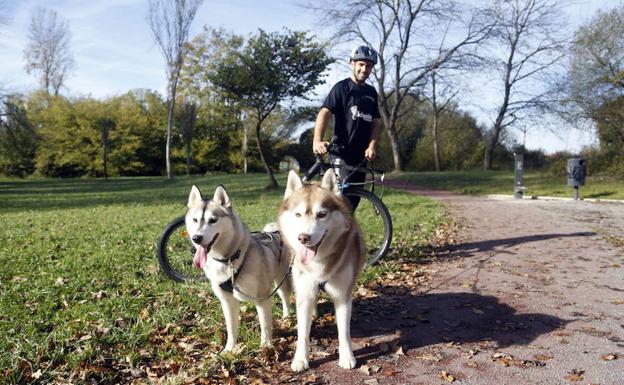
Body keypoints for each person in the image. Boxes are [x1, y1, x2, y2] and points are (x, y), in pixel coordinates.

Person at [312, 45, 381, 210]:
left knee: (353, 202)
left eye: (368, 66)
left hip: (361, 157)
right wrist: (317, 140)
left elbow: (376, 122)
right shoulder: (341, 88)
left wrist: (372, 145)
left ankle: (341, 235)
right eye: (361, 64)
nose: (364, 69)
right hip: (341, 152)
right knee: (340, 199)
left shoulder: (371, 93)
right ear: (352, 63)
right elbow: (324, 113)